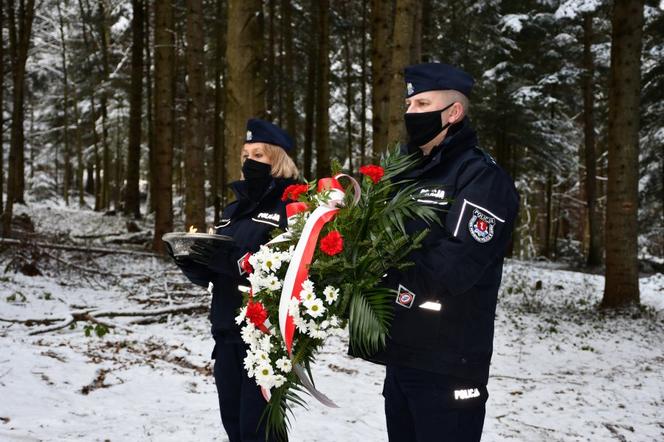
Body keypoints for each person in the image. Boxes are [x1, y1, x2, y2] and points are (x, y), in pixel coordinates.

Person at [366, 63, 520, 441]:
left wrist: (384, 274)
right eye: (409, 104)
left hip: (449, 361)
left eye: (422, 103)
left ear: (453, 112)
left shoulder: (481, 176)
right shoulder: (405, 174)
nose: (411, 113)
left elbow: (456, 264)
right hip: (401, 355)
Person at [170, 118, 299, 442]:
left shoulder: (292, 204)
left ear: (278, 159)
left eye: (259, 154)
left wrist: (232, 262)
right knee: (234, 424)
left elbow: (290, 267)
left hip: (265, 337)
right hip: (226, 330)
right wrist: (195, 263)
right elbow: (221, 265)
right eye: (245, 154)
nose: (249, 161)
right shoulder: (234, 208)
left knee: (259, 430)